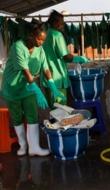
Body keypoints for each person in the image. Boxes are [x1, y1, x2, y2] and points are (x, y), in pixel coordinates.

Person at [1, 20, 65, 156]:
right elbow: (25, 71)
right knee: (17, 117)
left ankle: (34, 148)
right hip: (13, 87)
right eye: (39, 39)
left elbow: (46, 68)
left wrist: (53, 86)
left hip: (28, 87)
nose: (41, 42)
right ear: (31, 36)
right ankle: (23, 146)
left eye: (43, 40)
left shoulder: (39, 49)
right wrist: (38, 91)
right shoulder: (18, 47)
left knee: (32, 115)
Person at [42, 10, 89, 107]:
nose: (63, 24)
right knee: (61, 111)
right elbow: (66, 56)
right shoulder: (57, 35)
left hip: (47, 78)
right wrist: (78, 58)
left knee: (54, 111)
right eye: (61, 22)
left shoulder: (46, 34)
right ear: (55, 23)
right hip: (57, 78)